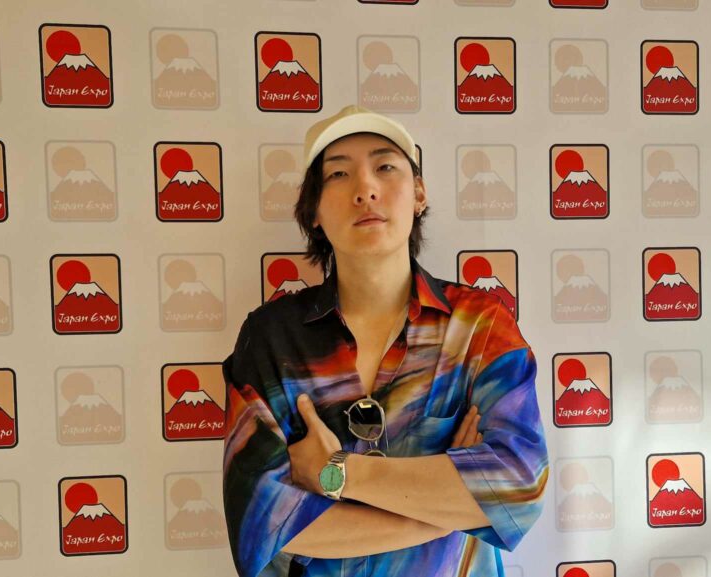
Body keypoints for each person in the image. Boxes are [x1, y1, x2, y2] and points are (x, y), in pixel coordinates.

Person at [221, 104, 548, 577]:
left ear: (418, 194)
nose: (365, 189)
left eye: (386, 167)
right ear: (314, 211)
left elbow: (521, 488)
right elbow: (263, 526)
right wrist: (454, 508)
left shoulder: (478, 326)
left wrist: (335, 472)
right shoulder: (271, 337)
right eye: (338, 174)